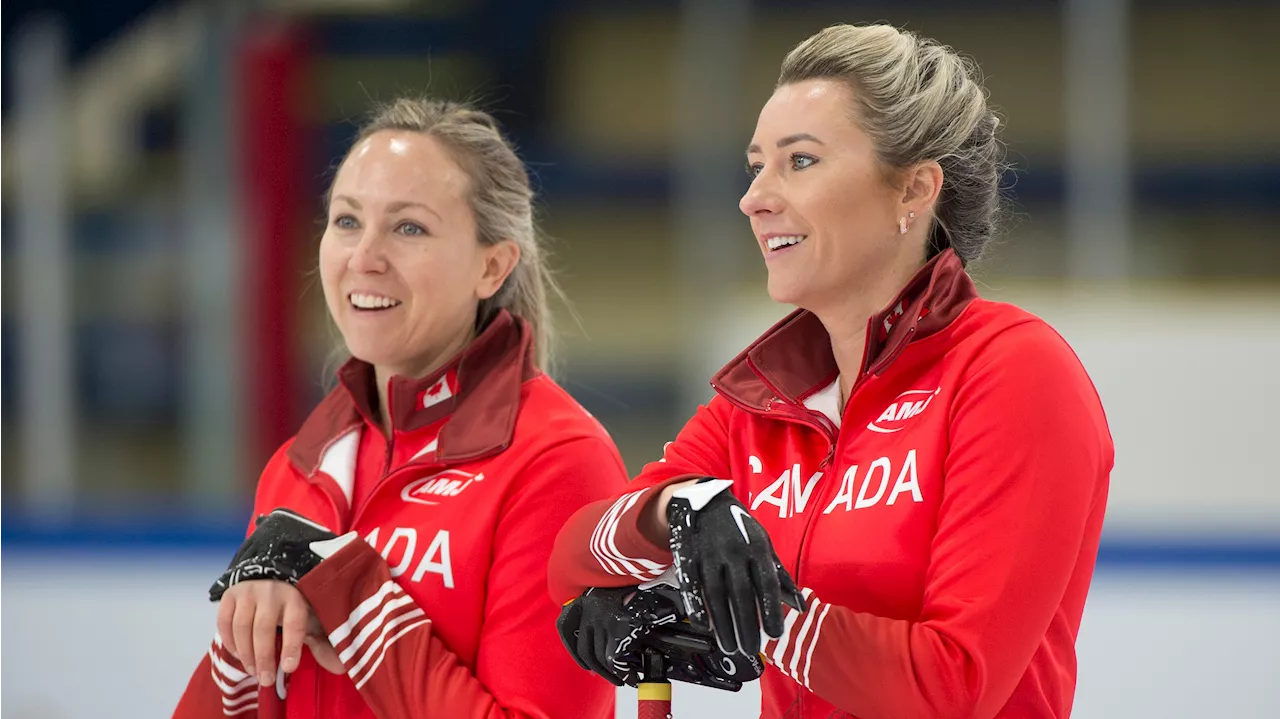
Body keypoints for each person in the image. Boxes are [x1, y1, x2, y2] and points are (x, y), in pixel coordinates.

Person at [549, 23, 1113, 719]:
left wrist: (756, 613)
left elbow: (955, 687)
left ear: (914, 189)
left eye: (801, 161)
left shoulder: (1013, 371)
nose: (754, 196)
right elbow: (573, 556)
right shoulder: (764, 402)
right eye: (756, 164)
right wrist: (677, 510)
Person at [172, 96, 628, 719]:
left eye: (408, 227)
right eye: (347, 221)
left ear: (492, 266)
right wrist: (234, 658)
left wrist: (354, 597)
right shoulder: (299, 468)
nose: (365, 257)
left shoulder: (558, 462)